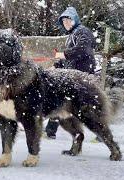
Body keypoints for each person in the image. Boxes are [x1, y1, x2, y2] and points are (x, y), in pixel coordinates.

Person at [45, 6, 97, 139]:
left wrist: (64, 54)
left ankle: (101, 134)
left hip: (82, 76)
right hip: (72, 76)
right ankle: (50, 131)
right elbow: (68, 59)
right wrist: (56, 65)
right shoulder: (72, 35)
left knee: (86, 106)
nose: (66, 23)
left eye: (68, 20)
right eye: (64, 21)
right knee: (62, 101)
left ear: (75, 19)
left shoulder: (83, 32)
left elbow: (83, 49)